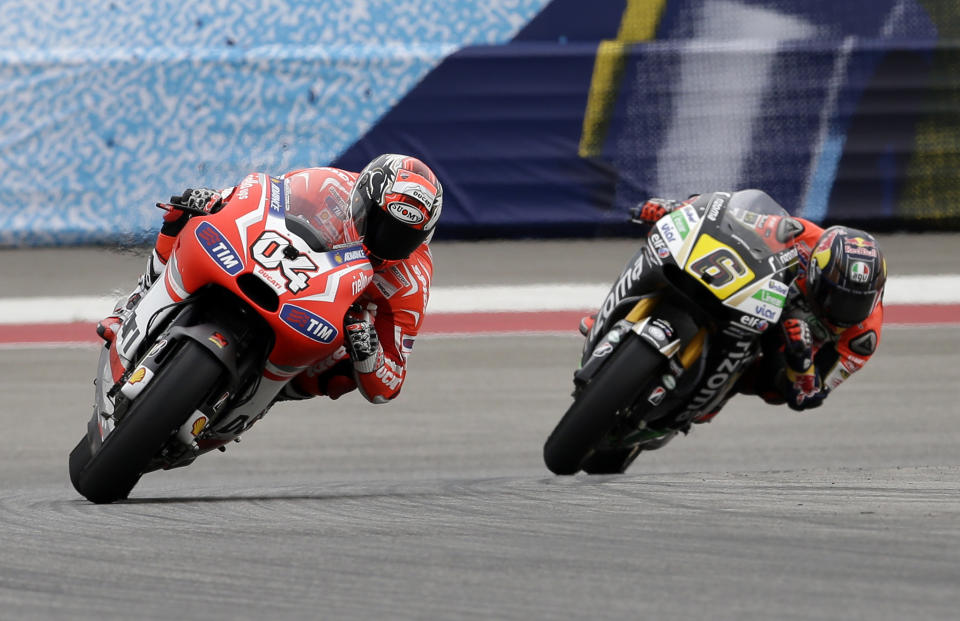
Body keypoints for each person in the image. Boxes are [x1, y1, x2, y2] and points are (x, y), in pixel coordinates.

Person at [98, 154, 443, 405]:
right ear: (363, 200)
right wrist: (217, 200)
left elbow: (391, 379)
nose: (386, 241)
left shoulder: (411, 280)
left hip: (320, 320)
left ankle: (266, 392)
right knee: (186, 210)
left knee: (343, 370)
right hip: (273, 264)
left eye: (403, 237)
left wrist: (369, 355)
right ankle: (138, 298)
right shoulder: (327, 184)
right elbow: (261, 199)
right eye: (381, 223)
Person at [581, 190, 886, 448]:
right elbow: (730, 216)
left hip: (782, 348)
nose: (845, 310)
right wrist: (678, 209)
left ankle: (709, 396)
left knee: (773, 388)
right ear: (818, 272)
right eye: (839, 297)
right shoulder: (802, 236)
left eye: (858, 301)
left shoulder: (862, 339)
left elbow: (809, 395)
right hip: (754, 297)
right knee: (667, 256)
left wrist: (801, 361)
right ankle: (617, 311)